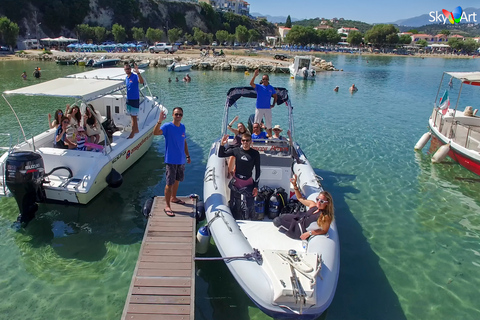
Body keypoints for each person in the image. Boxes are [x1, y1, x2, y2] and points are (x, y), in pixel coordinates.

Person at [154, 107, 191, 217]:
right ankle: (167, 206)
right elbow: (155, 133)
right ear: (173, 115)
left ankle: (174, 198)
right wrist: (159, 121)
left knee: (177, 180)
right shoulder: (167, 127)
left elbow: (184, 142)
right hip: (171, 160)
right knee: (169, 183)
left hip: (181, 160)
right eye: (176, 114)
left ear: (182, 116)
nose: (178, 116)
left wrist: (188, 155)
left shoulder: (183, 127)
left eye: (180, 114)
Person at [273, 174, 334, 240]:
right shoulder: (313, 205)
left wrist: (309, 233)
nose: (318, 202)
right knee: (282, 216)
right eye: (317, 199)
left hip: (298, 230)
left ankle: (289, 230)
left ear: (327, 204)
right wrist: (295, 185)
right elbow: (300, 198)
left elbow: (324, 230)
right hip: (298, 220)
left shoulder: (325, 216)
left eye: (322, 201)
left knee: (276, 221)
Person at [218, 133, 260, 220]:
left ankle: (252, 219)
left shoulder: (255, 153)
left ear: (250, 142)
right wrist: (222, 144)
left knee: (250, 205)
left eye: (247, 140)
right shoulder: (236, 150)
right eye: (243, 140)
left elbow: (258, 170)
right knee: (236, 204)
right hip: (237, 181)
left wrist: (256, 186)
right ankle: (236, 218)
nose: (245, 142)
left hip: (248, 182)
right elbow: (221, 154)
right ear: (241, 141)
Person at [250, 69, 277, 137]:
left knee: (269, 124)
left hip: (267, 108)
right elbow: (251, 84)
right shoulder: (259, 87)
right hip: (259, 108)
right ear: (262, 80)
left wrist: (273, 104)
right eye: (263, 79)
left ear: (268, 80)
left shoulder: (271, 88)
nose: (265, 80)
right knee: (256, 124)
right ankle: (255, 137)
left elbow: (275, 96)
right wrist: (254, 76)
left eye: (266, 79)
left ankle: (269, 137)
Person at [124, 62, 144, 139]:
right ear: (124, 70)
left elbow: (141, 82)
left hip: (135, 99)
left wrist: (138, 72)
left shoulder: (135, 76)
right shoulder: (126, 78)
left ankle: (133, 132)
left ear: (130, 69)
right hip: (129, 99)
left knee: (134, 116)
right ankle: (136, 129)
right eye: (126, 69)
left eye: (129, 69)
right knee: (132, 116)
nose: (128, 70)